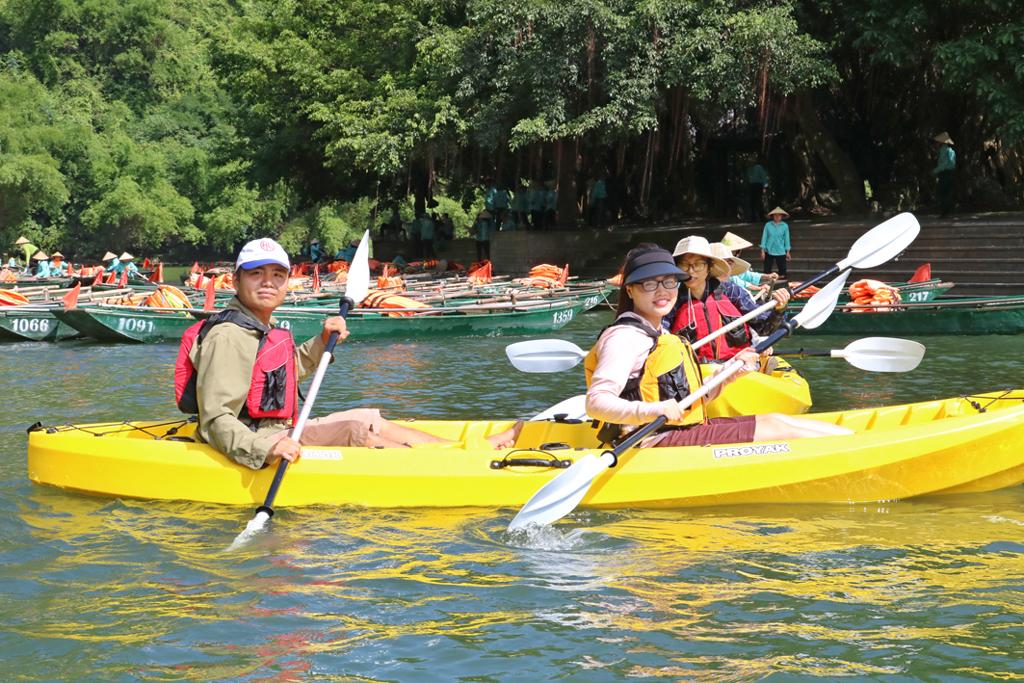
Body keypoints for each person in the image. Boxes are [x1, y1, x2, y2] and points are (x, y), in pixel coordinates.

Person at [180, 237, 521, 470]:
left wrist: (322, 339)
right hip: (257, 439)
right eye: (256, 274)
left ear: (286, 284)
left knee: (366, 417)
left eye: (277, 275)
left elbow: (274, 376)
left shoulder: (256, 326)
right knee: (352, 432)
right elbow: (216, 420)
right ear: (236, 281)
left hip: (275, 427)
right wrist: (266, 450)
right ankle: (462, 465)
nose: (268, 282)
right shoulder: (228, 335)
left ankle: (460, 453)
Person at [584, 244, 850, 449]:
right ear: (630, 290)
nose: (662, 291)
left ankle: (858, 442)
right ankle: (862, 451)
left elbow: (689, 402)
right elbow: (596, 403)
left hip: (679, 428)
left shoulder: (659, 334)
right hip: (645, 441)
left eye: (669, 282)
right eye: (649, 284)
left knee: (776, 421)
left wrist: (731, 372)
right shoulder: (625, 337)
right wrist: (655, 410)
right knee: (781, 431)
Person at [668, 236, 789, 362]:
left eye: (697, 264)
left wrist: (779, 310)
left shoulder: (732, 292)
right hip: (697, 372)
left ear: (709, 268)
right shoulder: (671, 300)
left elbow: (763, 328)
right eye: (684, 265)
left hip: (736, 366)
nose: (691, 271)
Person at [760, 207, 791, 278]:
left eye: (779, 215)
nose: (777, 217)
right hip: (768, 250)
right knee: (766, 270)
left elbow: (787, 239)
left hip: (781, 250)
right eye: (775, 215)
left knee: (783, 271)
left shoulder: (785, 226)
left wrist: (788, 251)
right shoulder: (768, 225)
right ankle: (767, 285)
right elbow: (764, 237)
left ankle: (782, 285)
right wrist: (762, 251)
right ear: (772, 216)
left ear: (782, 216)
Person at [932, 132, 956, 217]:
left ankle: (944, 212)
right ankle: (946, 211)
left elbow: (944, 163)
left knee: (942, 192)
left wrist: (935, 171)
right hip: (951, 173)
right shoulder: (951, 150)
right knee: (947, 192)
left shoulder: (943, 150)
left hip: (945, 173)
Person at [745, 157, 770, 221]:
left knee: (758, 201)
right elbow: (748, 178)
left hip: (758, 185)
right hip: (752, 186)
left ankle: (760, 217)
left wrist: (765, 186)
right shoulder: (749, 168)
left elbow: (763, 177)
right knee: (752, 202)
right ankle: (753, 217)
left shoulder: (758, 167)